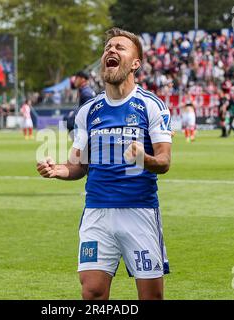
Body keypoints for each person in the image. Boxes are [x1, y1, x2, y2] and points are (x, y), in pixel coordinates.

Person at [37, 27, 172, 300]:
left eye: (120, 47)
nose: (111, 50)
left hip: (140, 212)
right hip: (97, 213)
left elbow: (164, 161)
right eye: (108, 47)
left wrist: (143, 159)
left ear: (136, 64)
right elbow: (78, 165)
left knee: (151, 297)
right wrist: (58, 170)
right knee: (93, 292)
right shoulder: (88, 111)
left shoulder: (151, 105)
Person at [66, 70, 96, 137]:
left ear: (82, 79)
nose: (75, 80)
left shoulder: (86, 93)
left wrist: (73, 115)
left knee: (68, 120)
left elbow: (88, 112)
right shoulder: (84, 90)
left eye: (77, 78)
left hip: (87, 127)